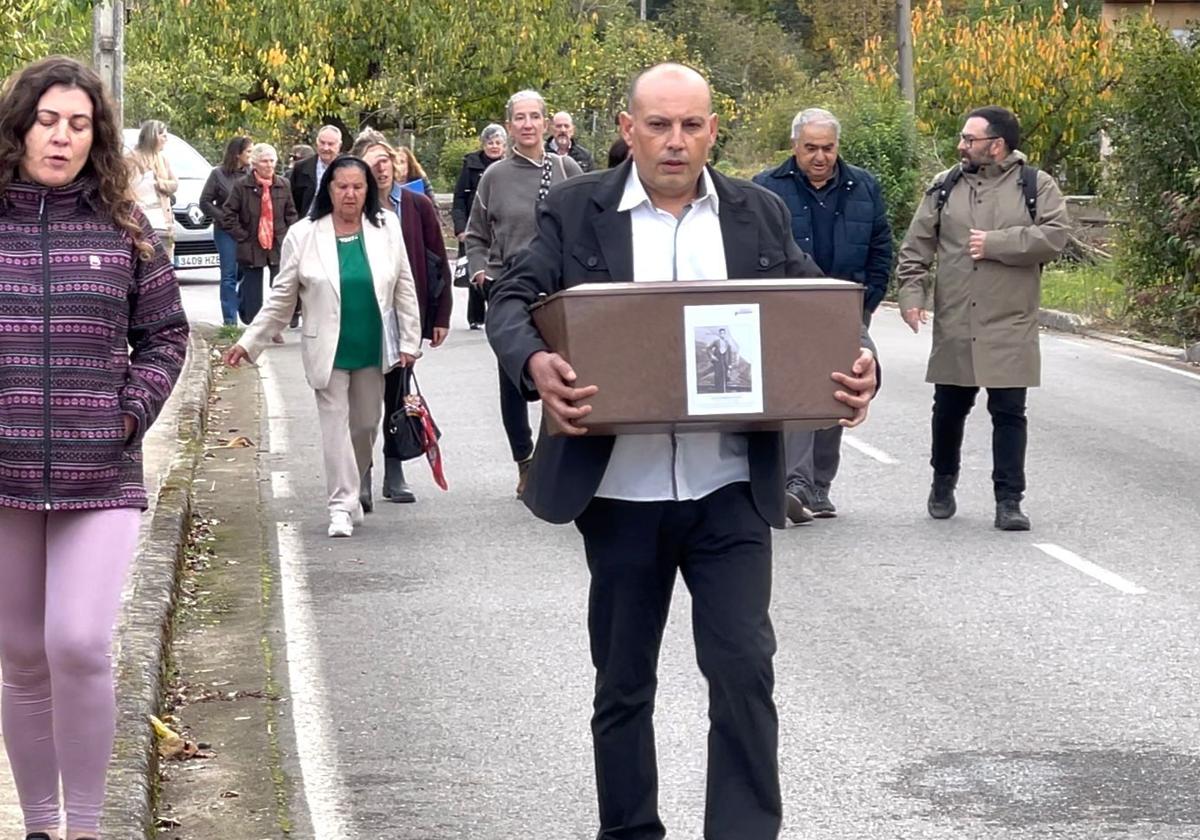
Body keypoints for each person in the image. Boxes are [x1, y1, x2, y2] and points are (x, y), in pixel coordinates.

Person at [486, 63, 878, 840]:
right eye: (659, 125)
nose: (675, 141)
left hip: (730, 492)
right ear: (628, 128)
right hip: (620, 495)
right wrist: (534, 362)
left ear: (712, 130)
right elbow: (509, 299)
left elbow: (819, 308)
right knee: (624, 685)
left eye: (691, 125)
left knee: (743, 676)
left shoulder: (757, 213)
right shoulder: (575, 210)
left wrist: (863, 358)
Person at [0, 56, 189, 840]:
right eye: (48, 120)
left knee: (75, 641)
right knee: (18, 656)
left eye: (79, 124)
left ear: (97, 137)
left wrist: (127, 415)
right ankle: (38, 825)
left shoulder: (126, 228)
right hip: (4, 475)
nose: (62, 137)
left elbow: (166, 335)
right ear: (20, 127)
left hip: (98, 472)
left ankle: (86, 828)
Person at [222, 156, 422, 538]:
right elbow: (282, 298)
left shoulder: (386, 228)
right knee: (334, 428)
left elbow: (404, 287)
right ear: (328, 189)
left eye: (358, 187)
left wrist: (410, 341)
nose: (350, 194)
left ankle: (352, 485)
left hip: (372, 346)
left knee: (365, 426)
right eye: (341, 186)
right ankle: (341, 506)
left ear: (368, 191)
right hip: (327, 350)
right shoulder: (304, 234)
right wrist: (251, 342)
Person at [896, 105, 1070, 531]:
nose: (961, 146)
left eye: (969, 139)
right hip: (956, 319)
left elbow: (1055, 236)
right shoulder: (944, 186)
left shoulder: (1035, 185)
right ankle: (943, 482)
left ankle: (1009, 500)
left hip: (1010, 321)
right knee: (949, 409)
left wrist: (996, 243)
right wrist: (910, 294)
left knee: (1010, 412)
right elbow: (916, 246)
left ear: (996, 145)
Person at [753, 107, 893, 523]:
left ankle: (819, 485)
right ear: (795, 146)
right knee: (797, 391)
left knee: (838, 390)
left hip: (845, 306)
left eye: (827, 148)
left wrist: (867, 300)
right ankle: (793, 481)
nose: (820, 156)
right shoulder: (767, 187)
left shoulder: (863, 186)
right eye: (811, 147)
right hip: (790, 308)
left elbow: (881, 245)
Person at [465, 89, 583, 495]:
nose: (528, 124)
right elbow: (476, 233)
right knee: (515, 381)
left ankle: (559, 461)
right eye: (520, 118)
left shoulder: (567, 169)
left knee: (565, 375)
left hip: (557, 292)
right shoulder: (494, 177)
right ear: (510, 125)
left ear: (547, 124)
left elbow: (587, 225)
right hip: (509, 290)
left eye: (535, 117)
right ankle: (525, 462)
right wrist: (480, 272)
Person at [361, 140, 452, 506]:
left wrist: (440, 315)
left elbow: (437, 262)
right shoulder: (351, 208)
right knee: (363, 399)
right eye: (373, 163)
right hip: (364, 316)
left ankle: (394, 470)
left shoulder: (417, 206)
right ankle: (362, 473)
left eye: (386, 161)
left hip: (403, 316)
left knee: (397, 394)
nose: (382, 168)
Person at [220, 142, 299, 333]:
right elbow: (228, 215)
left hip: (277, 243)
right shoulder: (242, 186)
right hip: (251, 244)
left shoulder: (283, 184)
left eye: (272, 161)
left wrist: (289, 235)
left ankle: (275, 328)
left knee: (280, 288)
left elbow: (291, 213)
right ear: (255, 164)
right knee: (252, 294)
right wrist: (242, 235)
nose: (269, 165)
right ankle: (255, 326)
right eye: (264, 161)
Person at [452, 124, 507, 329]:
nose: (494, 146)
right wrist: (460, 228)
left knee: (496, 272)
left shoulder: (509, 166)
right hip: (473, 226)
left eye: (498, 143)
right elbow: (459, 199)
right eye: (490, 142)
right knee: (475, 271)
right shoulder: (471, 165)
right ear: (483, 144)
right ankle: (476, 317)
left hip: (498, 227)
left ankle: (497, 312)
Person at [200, 135, 252, 326]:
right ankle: (230, 321)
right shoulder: (218, 174)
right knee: (229, 274)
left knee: (246, 272)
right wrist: (224, 217)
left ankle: (246, 308)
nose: (251, 155)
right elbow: (205, 202)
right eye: (248, 152)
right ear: (237, 154)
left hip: (247, 230)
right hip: (226, 231)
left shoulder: (251, 174)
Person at [126, 118, 177, 261]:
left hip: (162, 217)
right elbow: (124, 188)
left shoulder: (163, 158)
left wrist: (159, 183)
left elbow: (174, 184)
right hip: (140, 217)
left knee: (164, 257)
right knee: (144, 258)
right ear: (153, 136)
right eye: (164, 136)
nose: (166, 140)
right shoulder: (131, 158)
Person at [289, 124, 342, 214]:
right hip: (306, 223)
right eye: (322, 143)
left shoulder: (347, 168)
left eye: (330, 144)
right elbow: (291, 201)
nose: (326, 148)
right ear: (316, 142)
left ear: (339, 145)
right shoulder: (301, 168)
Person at [707, 328, 737, 392]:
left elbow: (729, 354)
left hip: (725, 361)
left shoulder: (727, 343)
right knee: (718, 375)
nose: (722, 334)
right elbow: (708, 348)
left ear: (725, 334)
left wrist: (730, 364)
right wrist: (712, 356)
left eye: (723, 333)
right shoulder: (716, 342)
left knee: (725, 376)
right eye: (721, 333)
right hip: (718, 361)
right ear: (719, 334)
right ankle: (717, 390)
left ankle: (724, 391)